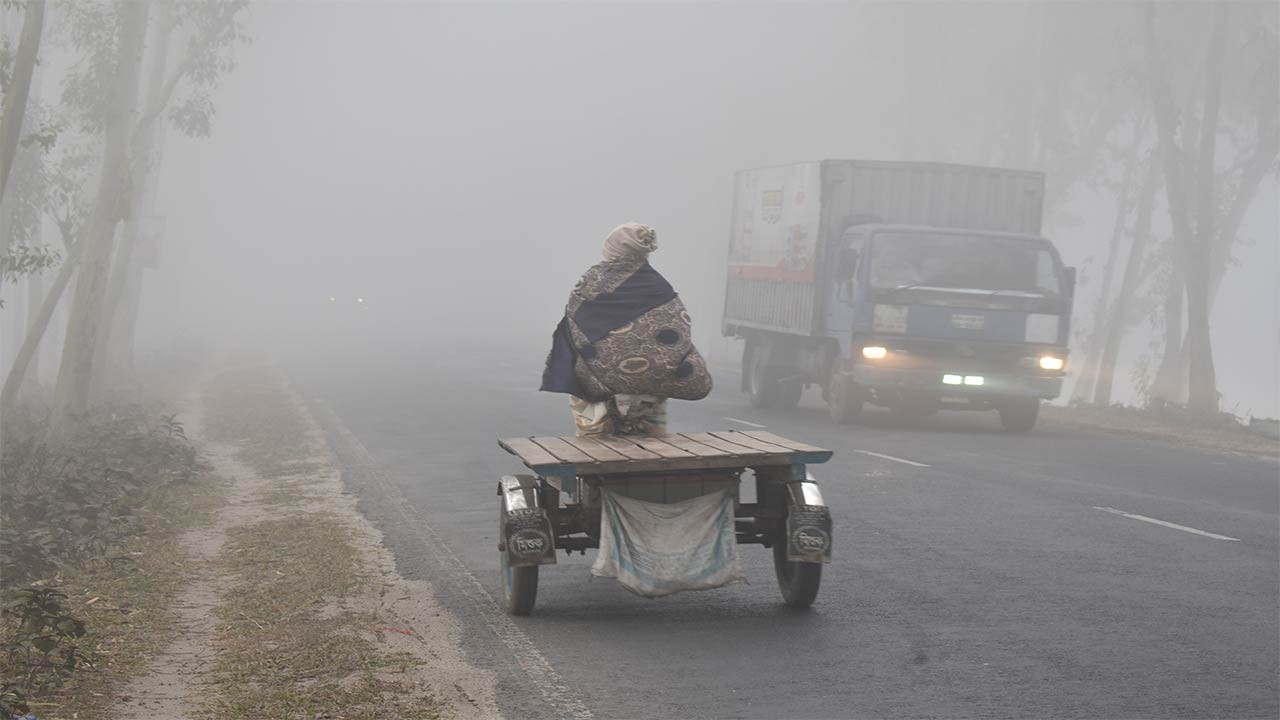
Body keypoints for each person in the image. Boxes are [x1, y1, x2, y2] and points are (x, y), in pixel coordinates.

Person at [540, 223, 711, 437]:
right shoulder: (660, 286)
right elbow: (679, 330)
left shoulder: (592, 281)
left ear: (612, 249)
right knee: (653, 414)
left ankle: (592, 442)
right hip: (652, 384)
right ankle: (650, 442)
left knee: (576, 360)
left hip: (598, 384)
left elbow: (573, 328)